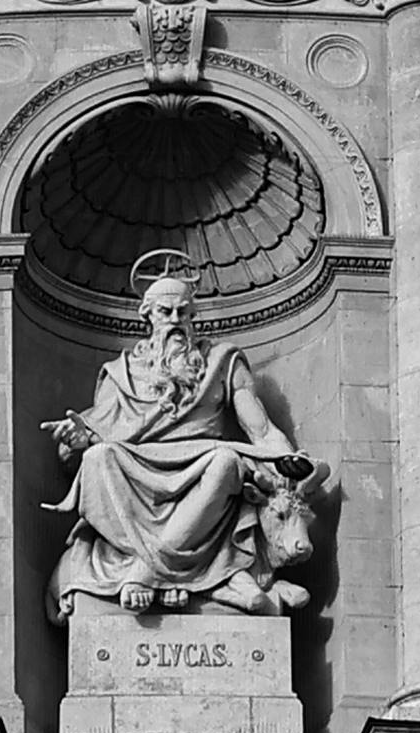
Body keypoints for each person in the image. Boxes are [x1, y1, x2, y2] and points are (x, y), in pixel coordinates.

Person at [48, 262, 327, 618]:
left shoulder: (222, 362)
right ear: (146, 315)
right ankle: (171, 571)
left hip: (201, 467)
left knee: (227, 463)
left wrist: (290, 462)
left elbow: (261, 431)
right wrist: (75, 440)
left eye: (184, 311)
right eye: (165, 311)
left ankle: (148, 570)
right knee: (98, 457)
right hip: (135, 470)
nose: (175, 319)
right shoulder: (119, 374)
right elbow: (83, 441)